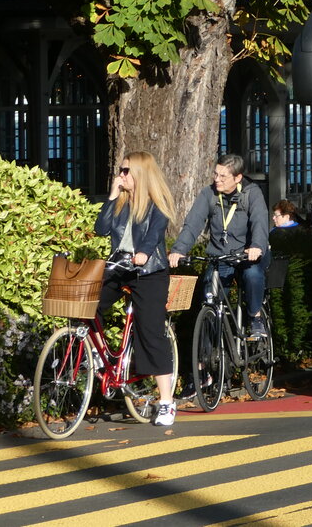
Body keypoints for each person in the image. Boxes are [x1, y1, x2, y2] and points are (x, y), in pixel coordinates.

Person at [95, 151, 178, 427]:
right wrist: (111, 196)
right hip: (121, 268)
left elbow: (155, 233)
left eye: (126, 171)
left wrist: (143, 252)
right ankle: (97, 352)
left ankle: (166, 401)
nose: (121, 175)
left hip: (149, 272)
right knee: (89, 304)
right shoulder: (120, 202)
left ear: (140, 174)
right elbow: (101, 230)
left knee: (151, 330)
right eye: (120, 170)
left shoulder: (157, 203)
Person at [169, 153, 271, 340]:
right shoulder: (209, 194)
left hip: (247, 255)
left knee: (253, 275)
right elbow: (193, 223)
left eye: (223, 176)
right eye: (215, 174)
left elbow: (259, 221)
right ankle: (205, 356)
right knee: (210, 297)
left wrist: (256, 246)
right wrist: (179, 249)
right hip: (221, 255)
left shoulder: (252, 193)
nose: (217, 180)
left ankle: (255, 317)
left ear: (238, 177)